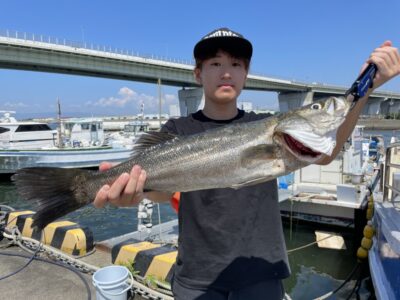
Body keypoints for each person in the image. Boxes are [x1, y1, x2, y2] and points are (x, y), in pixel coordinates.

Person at [94, 28, 400, 299]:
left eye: (236, 64)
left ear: (246, 74)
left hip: (262, 271)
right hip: (197, 277)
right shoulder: (176, 131)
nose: (226, 72)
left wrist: (365, 89)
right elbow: (162, 191)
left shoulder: (265, 125)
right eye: (215, 63)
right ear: (198, 74)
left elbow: (328, 151)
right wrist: (135, 194)